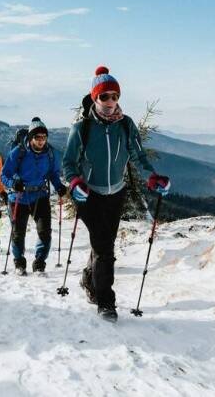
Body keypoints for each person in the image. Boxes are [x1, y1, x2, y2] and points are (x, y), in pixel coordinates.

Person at [62, 66, 171, 322]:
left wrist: (152, 176)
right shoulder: (82, 128)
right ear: (95, 97)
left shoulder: (126, 125)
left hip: (116, 194)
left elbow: (138, 156)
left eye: (115, 96)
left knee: (103, 244)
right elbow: (68, 163)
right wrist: (75, 182)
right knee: (104, 248)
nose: (110, 101)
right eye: (105, 96)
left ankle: (90, 277)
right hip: (88, 195)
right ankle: (106, 302)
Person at [1, 117, 66, 275]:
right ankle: (19, 263)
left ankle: (39, 264)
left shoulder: (50, 154)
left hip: (40, 196)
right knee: (18, 233)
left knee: (45, 232)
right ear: (31, 138)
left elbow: (53, 173)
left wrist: (59, 186)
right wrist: (13, 184)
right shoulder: (18, 152)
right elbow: (4, 175)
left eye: (44, 137)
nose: (41, 141)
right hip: (19, 197)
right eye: (37, 137)